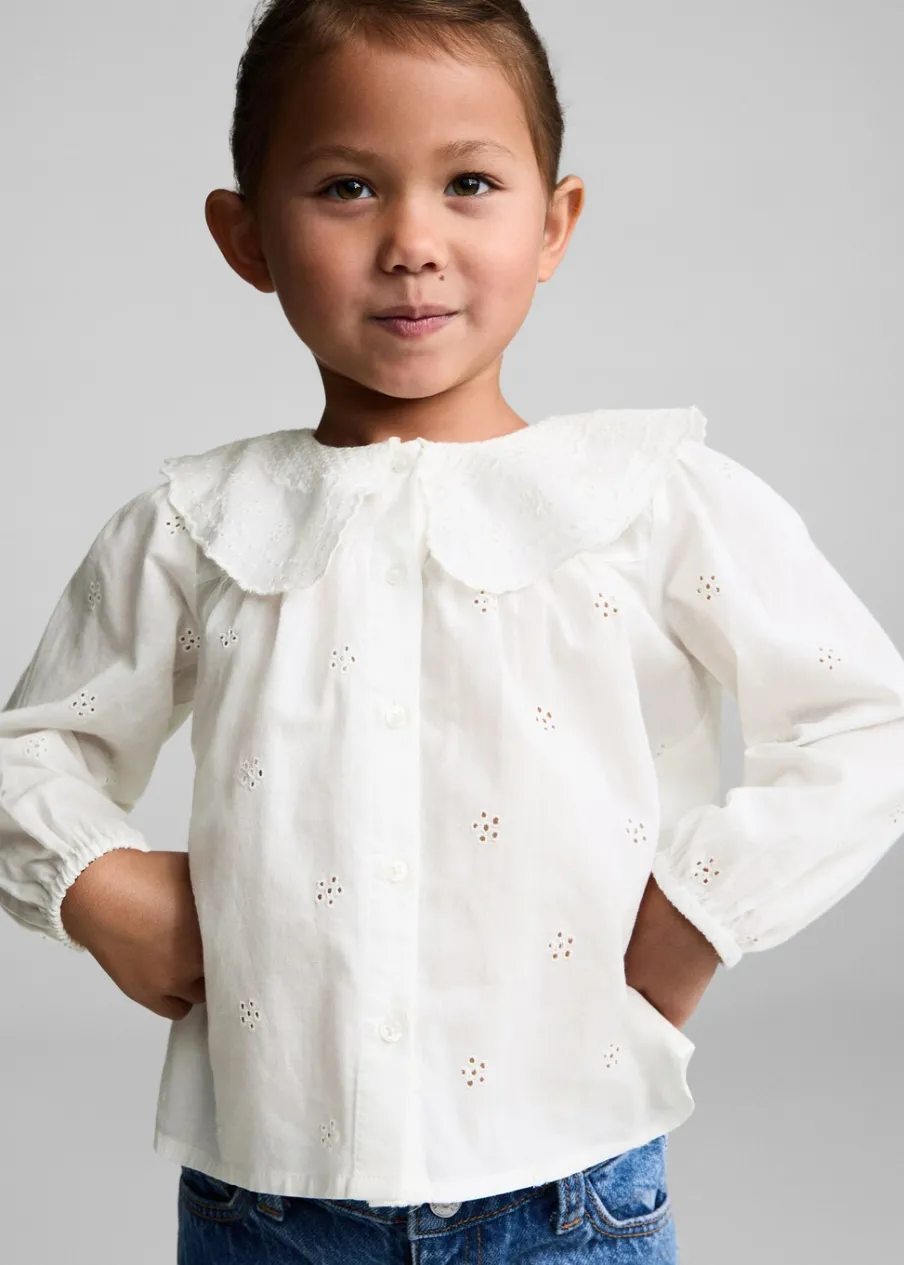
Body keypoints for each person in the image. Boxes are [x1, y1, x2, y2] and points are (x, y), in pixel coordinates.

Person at [2, 1, 903, 1261]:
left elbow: (867, 720)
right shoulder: (196, 526)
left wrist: (709, 900)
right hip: (267, 1199)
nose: (412, 244)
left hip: (568, 1185)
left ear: (554, 224)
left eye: (469, 183)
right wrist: (97, 883)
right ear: (246, 236)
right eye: (347, 187)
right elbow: (31, 746)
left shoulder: (648, 499)